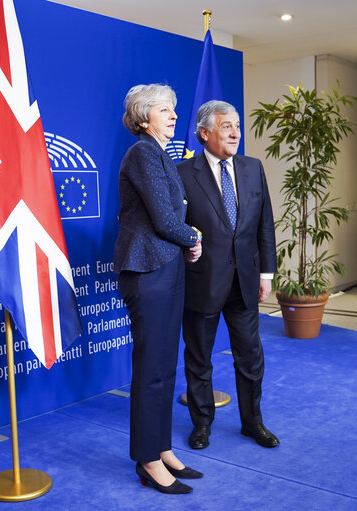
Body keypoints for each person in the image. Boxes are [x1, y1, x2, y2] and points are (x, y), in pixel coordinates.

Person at [113, 84, 204, 494]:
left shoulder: (159, 156)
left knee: (166, 365)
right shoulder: (142, 154)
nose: (173, 116)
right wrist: (193, 237)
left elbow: (168, 222)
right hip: (148, 271)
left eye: (174, 109)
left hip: (166, 268)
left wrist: (187, 238)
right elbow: (166, 220)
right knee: (151, 369)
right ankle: (147, 460)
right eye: (165, 110)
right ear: (144, 116)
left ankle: (162, 447)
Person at [177, 100, 279, 450]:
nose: (236, 132)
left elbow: (265, 224)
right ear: (205, 133)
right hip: (201, 281)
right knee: (199, 357)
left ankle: (253, 423)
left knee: (250, 356)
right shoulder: (182, 173)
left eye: (237, 125)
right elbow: (176, 228)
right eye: (226, 126)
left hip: (246, 282)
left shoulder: (253, 168)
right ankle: (202, 423)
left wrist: (267, 272)